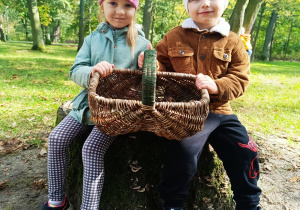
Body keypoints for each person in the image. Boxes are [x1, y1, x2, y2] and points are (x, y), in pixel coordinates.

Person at [138, 0, 262, 209]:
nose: (205, 3)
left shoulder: (233, 41)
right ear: (187, 6)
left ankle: (249, 203)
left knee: (245, 151)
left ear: (225, 4)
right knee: (183, 152)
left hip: (220, 112)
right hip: (187, 112)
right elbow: (162, 66)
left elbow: (240, 79)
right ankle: (172, 203)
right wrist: (151, 64)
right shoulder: (174, 36)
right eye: (195, 0)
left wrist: (216, 85)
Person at [41, 0, 150, 209]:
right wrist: (91, 71)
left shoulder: (142, 44)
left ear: (135, 10)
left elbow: (147, 83)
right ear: (102, 7)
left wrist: (149, 65)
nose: (120, 10)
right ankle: (57, 200)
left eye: (128, 5)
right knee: (56, 138)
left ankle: (89, 207)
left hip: (116, 111)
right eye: (113, 3)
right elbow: (75, 69)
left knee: (91, 149)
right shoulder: (92, 39)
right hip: (86, 106)